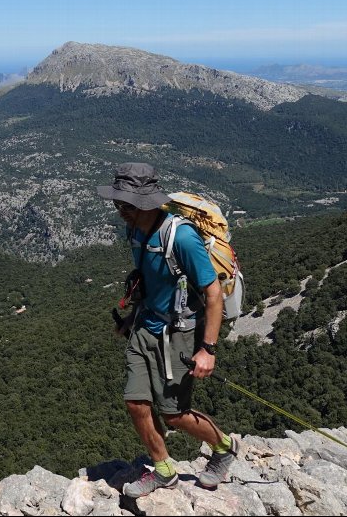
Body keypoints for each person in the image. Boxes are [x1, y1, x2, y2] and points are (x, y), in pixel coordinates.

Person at [97, 162, 241, 498]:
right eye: (118, 204)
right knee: (135, 403)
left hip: (178, 334)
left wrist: (208, 350)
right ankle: (164, 470)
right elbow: (150, 278)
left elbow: (213, 293)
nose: (120, 212)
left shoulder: (183, 237)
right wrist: (133, 317)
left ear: (144, 203)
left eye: (125, 205)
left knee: (174, 415)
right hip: (146, 325)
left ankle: (223, 446)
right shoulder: (135, 230)